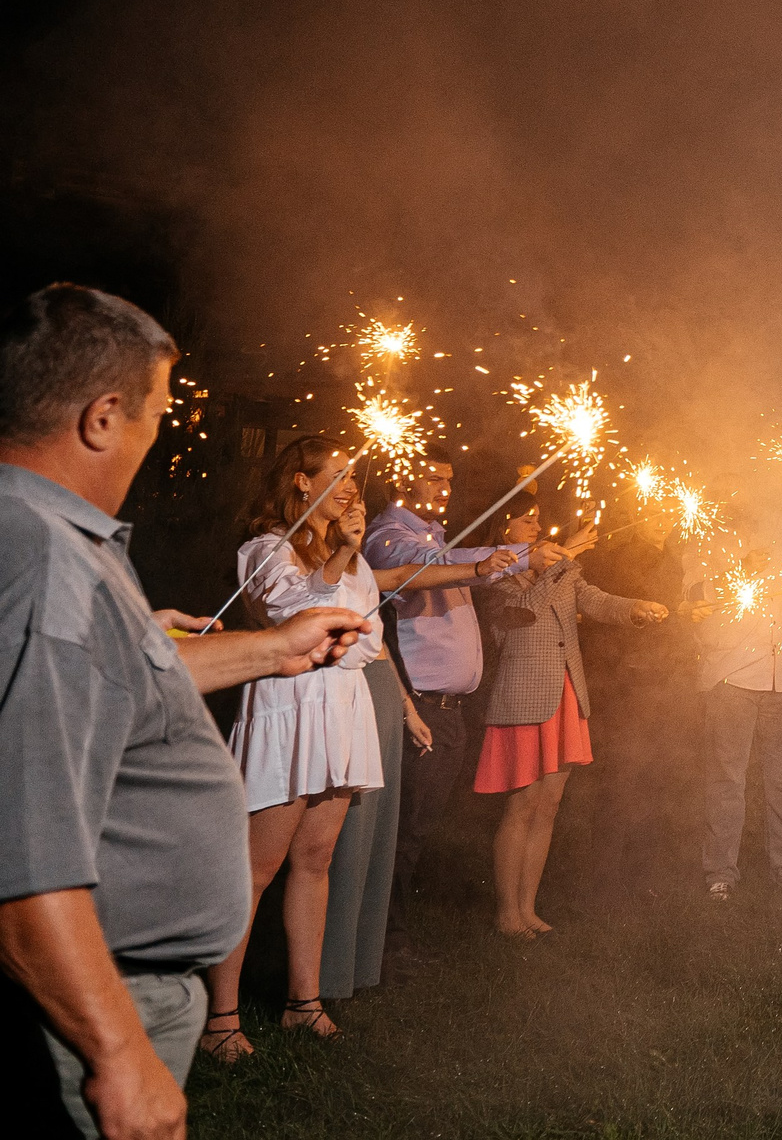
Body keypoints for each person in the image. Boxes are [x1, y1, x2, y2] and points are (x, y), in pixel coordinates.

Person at [1, 283, 367, 1140]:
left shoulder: (44, 539)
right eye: (158, 412)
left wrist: (275, 646)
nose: (162, 433)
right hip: (95, 1008)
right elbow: (23, 859)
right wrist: (120, 1055)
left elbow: (116, 671)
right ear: (102, 416)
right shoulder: (45, 564)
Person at [200, 436, 395, 1054]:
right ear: (303, 483)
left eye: (354, 477)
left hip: (341, 709)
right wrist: (337, 560)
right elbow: (291, 618)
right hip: (288, 709)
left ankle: (301, 1003)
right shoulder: (265, 549)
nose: (350, 486)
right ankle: (219, 1021)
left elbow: (367, 641)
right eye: (337, 475)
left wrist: (344, 566)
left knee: (316, 861)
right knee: (254, 871)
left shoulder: (355, 560)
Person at [474, 496, 668, 938]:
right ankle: (507, 914)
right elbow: (524, 612)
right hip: (523, 698)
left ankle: (528, 909)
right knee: (522, 805)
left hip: (565, 695)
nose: (535, 526)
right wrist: (566, 558)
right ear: (503, 528)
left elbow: (596, 602)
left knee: (549, 806)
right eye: (526, 520)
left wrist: (636, 606)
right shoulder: (492, 571)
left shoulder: (562, 570)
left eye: (538, 520)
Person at [365, 448, 534, 945]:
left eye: (449, 479)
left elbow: (457, 562)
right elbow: (423, 565)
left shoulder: (435, 538)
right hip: (418, 708)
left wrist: (517, 561)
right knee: (402, 831)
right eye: (432, 478)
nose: (444, 487)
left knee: (418, 829)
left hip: (450, 710)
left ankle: (390, 937)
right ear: (404, 479)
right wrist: (508, 557)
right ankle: (382, 944)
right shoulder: (388, 536)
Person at [682, 539, 782, 901]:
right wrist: (743, 568)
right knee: (727, 778)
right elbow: (693, 595)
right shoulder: (704, 547)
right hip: (731, 678)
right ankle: (720, 872)